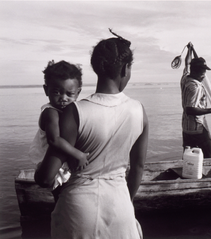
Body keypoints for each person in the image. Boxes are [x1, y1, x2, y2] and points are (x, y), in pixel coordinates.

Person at [34, 29, 149, 239]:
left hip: (78, 211)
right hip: (121, 206)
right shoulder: (139, 111)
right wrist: (127, 202)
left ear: (96, 67)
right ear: (125, 68)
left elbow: (46, 178)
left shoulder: (75, 112)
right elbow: (138, 168)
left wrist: (38, 173)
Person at [29, 60, 89, 192]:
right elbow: (54, 140)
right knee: (57, 191)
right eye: (56, 92)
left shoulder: (70, 111)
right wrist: (78, 154)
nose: (63, 98)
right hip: (49, 161)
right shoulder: (50, 112)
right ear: (46, 90)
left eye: (69, 94)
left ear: (78, 92)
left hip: (61, 161)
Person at [180, 42, 211, 158]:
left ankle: (189, 174)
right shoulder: (195, 87)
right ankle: (204, 175)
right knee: (207, 155)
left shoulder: (185, 78)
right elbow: (189, 109)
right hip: (197, 128)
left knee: (188, 156)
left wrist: (190, 50)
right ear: (196, 71)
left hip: (186, 128)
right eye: (203, 72)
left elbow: (187, 63)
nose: (204, 75)